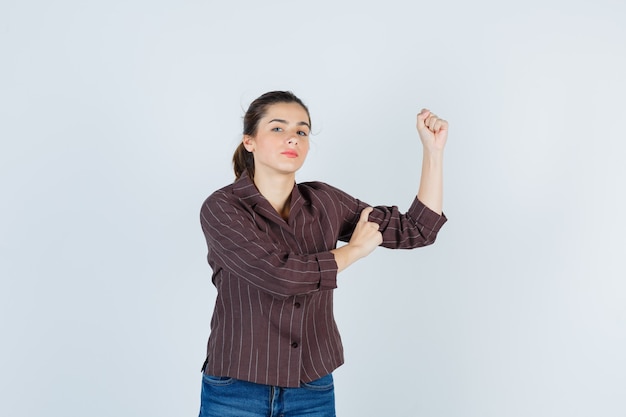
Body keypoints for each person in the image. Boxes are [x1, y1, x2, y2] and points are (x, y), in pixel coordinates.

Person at [198, 91, 448, 417]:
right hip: (236, 387)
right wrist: (352, 251)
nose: (293, 138)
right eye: (277, 128)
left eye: (302, 131)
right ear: (250, 141)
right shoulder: (222, 208)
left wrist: (433, 152)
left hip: (312, 387)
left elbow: (416, 229)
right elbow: (280, 275)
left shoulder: (325, 202)